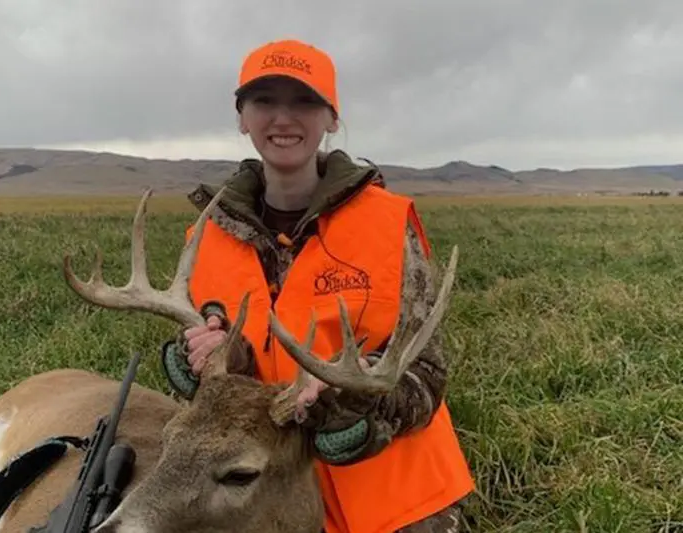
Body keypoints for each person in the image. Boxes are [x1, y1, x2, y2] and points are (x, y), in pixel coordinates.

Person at [160, 38, 475, 533]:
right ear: (242, 117)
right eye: (265, 101)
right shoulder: (207, 235)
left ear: (331, 117)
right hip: (259, 497)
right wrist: (207, 357)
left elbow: (427, 374)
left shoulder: (388, 224)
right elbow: (220, 374)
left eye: (304, 101)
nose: (283, 118)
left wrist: (352, 401)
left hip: (395, 500)